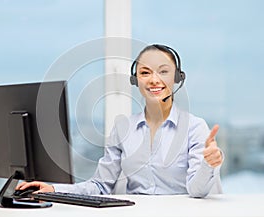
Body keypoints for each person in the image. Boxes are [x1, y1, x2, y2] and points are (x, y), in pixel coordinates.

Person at [16, 44, 223, 198]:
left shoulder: (194, 128)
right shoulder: (123, 128)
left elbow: (197, 191)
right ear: (135, 80)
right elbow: (100, 186)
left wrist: (208, 164)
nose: (153, 79)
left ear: (177, 78)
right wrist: (53, 189)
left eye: (163, 71)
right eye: (145, 72)